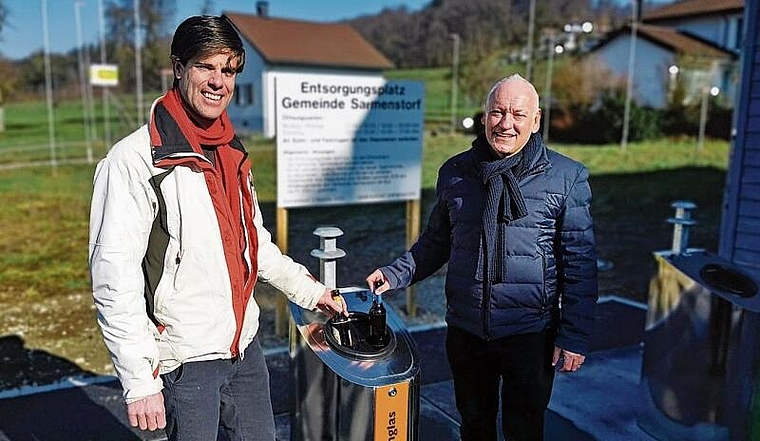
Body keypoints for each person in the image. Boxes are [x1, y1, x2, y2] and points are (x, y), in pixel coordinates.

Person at [88, 15, 346, 441]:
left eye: (227, 70)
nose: (218, 81)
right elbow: (113, 280)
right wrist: (140, 382)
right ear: (178, 67)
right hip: (184, 362)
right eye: (205, 66)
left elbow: (254, 244)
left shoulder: (231, 152)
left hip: (244, 349)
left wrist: (313, 292)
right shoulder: (133, 161)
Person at [366, 74, 598, 441]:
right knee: (474, 426)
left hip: (530, 333)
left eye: (518, 115)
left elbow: (580, 264)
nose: (506, 123)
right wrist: (396, 274)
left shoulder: (566, 177)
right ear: (484, 116)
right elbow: (436, 242)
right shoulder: (455, 173)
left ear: (536, 121)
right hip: (467, 330)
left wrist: (574, 335)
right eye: (497, 112)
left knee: (524, 429)